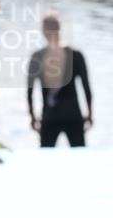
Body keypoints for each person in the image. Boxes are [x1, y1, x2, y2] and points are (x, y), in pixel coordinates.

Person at [27, 11, 93, 147]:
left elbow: (30, 90)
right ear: (59, 28)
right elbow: (86, 87)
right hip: (72, 114)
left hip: (50, 115)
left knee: (45, 159)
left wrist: (32, 116)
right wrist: (90, 113)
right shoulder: (76, 55)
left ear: (44, 30)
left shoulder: (37, 57)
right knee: (79, 158)